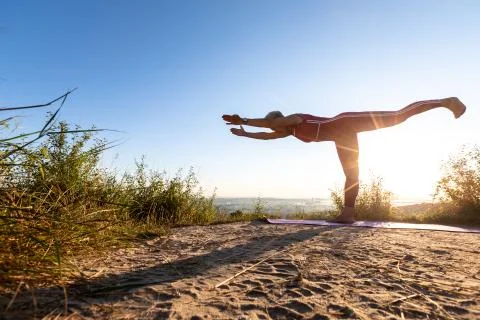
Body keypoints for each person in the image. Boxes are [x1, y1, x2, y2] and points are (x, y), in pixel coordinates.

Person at [222, 97, 466, 223]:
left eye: (275, 124)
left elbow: (269, 126)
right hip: (342, 137)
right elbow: (267, 136)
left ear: (278, 119)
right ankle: (348, 213)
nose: (275, 130)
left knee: (397, 116)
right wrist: (245, 134)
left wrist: (243, 119)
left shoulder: (292, 119)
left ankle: (445, 102)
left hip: (344, 123)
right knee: (352, 174)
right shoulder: (289, 131)